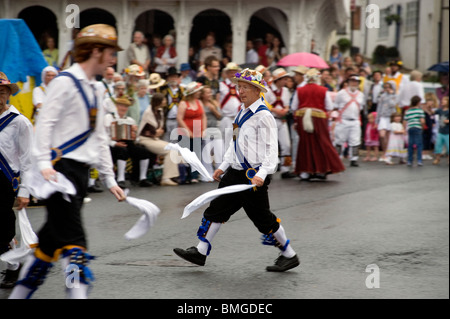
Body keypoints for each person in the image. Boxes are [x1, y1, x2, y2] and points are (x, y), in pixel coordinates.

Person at [10, 24, 126, 300]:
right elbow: (45, 124)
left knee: (49, 245)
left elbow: (99, 138)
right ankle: (77, 294)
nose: (112, 59)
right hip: (58, 173)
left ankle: (18, 295)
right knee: (75, 244)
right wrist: (44, 164)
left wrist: (110, 178)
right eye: (110, 52)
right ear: (96, 51)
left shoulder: (98, 89)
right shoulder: (63, 82)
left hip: (80, 175)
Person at [173, 68, 300, 272]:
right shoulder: (241, 111)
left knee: (262, 218)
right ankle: (201, 251)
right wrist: (223, 166)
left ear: (258, 90)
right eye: (239, 87)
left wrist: (261, 175)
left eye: (246, 87)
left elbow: (272, 150)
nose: (241, 91)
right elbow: (235, 142)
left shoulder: (264, 115)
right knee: (216, 208)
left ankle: (289, 254)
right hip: (235, 171)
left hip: (253, 176)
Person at [0, 72, 33, 289]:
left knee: (2, 229)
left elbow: (27, 159)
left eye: (1, 91)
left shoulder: (20, 122)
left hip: (4, 180)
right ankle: (12, 263)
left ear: (8, 94)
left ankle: (13, 265)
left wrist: (25, 190)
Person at [294, 69, 345, 180]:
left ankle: (305, 171)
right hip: (319, 119)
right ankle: (321, 170)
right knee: (321, 143)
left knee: (305, 144)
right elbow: (329, 107)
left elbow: (294, 106)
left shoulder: (299, 90)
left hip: (303, 118)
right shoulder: (323, 90)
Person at [105, 96, 153, 188]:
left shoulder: (130, 120)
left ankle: (142, 178)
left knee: (144, 151)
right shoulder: (109, 117)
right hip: (113, 144)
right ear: (117, 106)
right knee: (122, 151)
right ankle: (120, 179)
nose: (124, 108)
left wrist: (134, 133)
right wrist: (114, 143)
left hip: (128, 143)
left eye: (126, 106)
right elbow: (104, 135)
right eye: (122, 106)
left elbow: (136, 138)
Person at [137, 93, 180, 186]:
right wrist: (156, 133)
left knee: (175, 148)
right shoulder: (148, 112)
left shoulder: (159, 111)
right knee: (171, 150)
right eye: (164, 100)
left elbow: (160, 129)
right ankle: (166, 178)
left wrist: (157, 132)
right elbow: (148, 130)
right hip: (145, 139)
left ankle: (172, 175)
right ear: (158, 101)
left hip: (154, 139)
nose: (165, 101)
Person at [267, 68, 295, 178]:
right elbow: (265, 106)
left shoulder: (286, 91)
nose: (286, 81)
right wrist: (276, 111)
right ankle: (269, 170)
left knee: (286, 145)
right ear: (277, 80)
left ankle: (285, 169)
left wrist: (285, 110)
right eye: (284, 79)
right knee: (270, 146)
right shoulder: (267, 90)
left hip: (282, 120)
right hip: (271, 120)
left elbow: (287, 105)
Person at [334, 74, 365, 167]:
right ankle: (337, 158)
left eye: (356, 81)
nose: (354, 83)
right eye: (352, 81)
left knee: (355, 141)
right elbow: (336, 105)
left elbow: (361, 107)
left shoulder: (361, 95)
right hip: (343, 120)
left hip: (355, 120)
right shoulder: (341, 93)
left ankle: (353, 159)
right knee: (339, 140)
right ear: (348, 82)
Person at [201, 85, 223, 180]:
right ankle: (207, 174)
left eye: (210, 92)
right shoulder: (199, 103)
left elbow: (220, 116)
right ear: (202, 94)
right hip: (205, 129)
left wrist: (213, 109)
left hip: (215, 128)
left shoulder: (214, 103)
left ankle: (220, 172)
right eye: (207, 92)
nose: (210, 94)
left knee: (219, 151)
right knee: (206, 152)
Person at [158, 67, 184, 142]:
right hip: (166, 118)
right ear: (168, 78)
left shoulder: (182, 90)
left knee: (175, 141)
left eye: (175, 77)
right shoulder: (162, 89)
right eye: (171, 77)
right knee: (165, 140)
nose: (173, 79)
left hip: (177, 119)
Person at [219, 62, 241, 144]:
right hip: (226, 118)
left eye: (234, 72)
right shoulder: (221, 85)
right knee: (225, 142)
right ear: (227, 73)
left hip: (237, 119)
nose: (233, 74)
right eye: (230, 72)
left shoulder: (240, 86)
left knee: (236, 141)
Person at [376, 81, 398, 161]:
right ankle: (384, 152)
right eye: (385, 87)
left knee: (388, 136)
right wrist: (376, 121)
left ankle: (386, 154)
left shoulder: (395, 96)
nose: (387, 89)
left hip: (390, 117)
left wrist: (391, 95)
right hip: (383, 117)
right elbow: (379, 108)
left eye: (389, 87)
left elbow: (393, 104)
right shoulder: (382, 96)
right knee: (382, 135)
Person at [404, 96, 426, 167]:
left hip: (410, 128)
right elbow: (422, 121)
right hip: (417, 127)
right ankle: (419, 160)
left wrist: (404, 129)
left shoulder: (408, 111)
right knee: (419, 145)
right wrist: (422, 127)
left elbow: (405, 121)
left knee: (410, 145)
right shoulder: (420, 111)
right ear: (418, 102)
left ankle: (410, 161)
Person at [433, 96, 449, 165]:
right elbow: (432, 112)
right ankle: (437, 159)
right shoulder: (440, 110)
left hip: (448, 132)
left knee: (448, 147)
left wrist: (448, 121)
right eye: (442, 100)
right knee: (438, 145)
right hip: (441, 131)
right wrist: (429, 107)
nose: (442, 101)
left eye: (444, 100)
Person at [422, 93, 437, 161]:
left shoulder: (432, 110)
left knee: (429, 139)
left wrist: (433, 122)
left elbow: (433, 117)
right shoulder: (423, 110)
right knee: (424, 139)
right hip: (425, 126)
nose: (431, 103)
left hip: (430, 127)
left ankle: (427, 153)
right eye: (429, 102)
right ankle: (423, 153)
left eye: (432, 102)